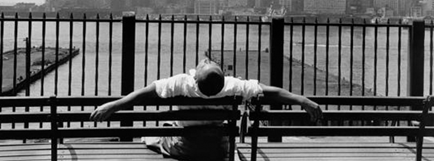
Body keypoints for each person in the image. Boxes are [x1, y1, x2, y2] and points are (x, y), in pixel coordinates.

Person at [90, 58, 323, 160]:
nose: (204, 60)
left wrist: (114, 105)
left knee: (156, 133)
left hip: (187, 148)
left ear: (196, 79)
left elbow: (145, 92)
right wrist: (302, 100)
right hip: (218, 150)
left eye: (205, 63)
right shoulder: (231, 86)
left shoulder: (182, 83)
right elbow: (270, 92)